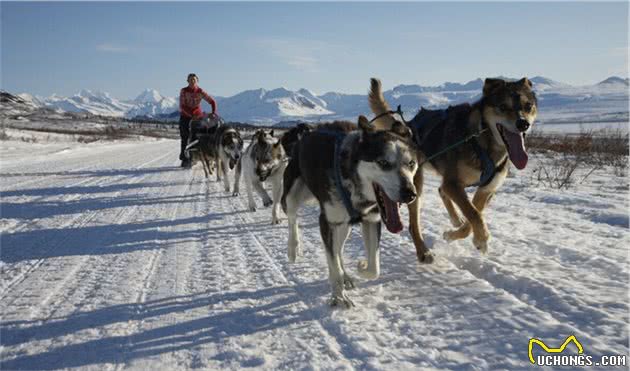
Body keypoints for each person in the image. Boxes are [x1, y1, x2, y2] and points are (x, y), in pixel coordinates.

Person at [179, 73, 218, 168]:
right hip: (185, 115)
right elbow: (182, 106)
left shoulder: (200, 91)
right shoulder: (184, 91)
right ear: (187, 81)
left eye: (194, 80)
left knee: (201, 135)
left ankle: (203, 155)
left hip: (198, 116)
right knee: (185, 136)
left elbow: (212, 101)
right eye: (190, 79)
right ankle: (185, 158)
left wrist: (213, 112)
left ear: (197, 81)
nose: (192, 81)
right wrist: (191, 115)